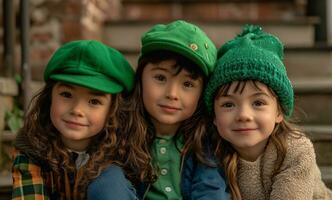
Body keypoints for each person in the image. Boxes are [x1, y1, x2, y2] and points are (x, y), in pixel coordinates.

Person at [88, 20, 229, 200]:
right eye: (160, 78)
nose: (172, 94)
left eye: (187, 84)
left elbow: (210, 190)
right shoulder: (119, 130)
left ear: (201, 94)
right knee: (108, 178)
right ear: (140, 79)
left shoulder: (204, 140)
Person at [204, 25, 332, 200]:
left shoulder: (295, 151)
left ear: (279, 112)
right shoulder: (211, 153)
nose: (244, 115)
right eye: (228, 104)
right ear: (214, 117)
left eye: (258, 102)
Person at [11, 40, 138, 200]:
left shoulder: (123, 148)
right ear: (49, 97)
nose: (77, 110)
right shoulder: (31, 146)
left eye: (94, 101)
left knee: (111, 180)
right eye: (66, 95)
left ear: (113, 110)